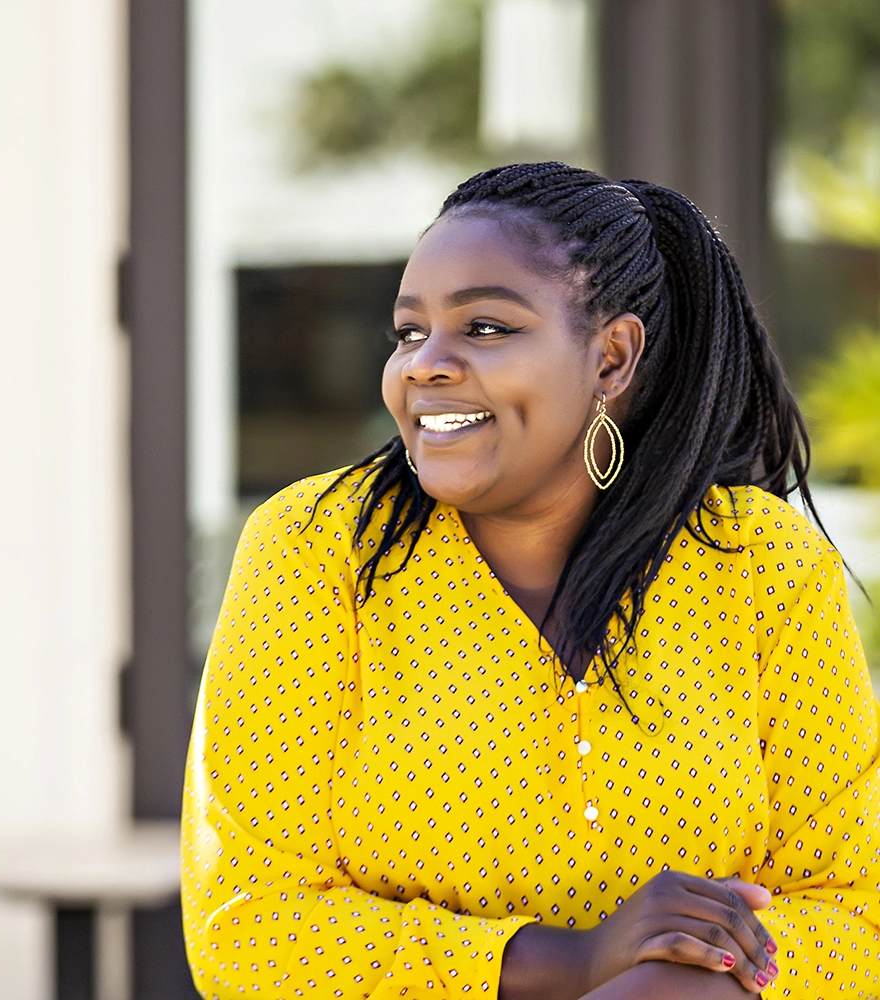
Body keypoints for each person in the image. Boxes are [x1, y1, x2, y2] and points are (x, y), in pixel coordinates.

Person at [181, 162, 880, 998]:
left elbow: (859, 914)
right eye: (409, 333)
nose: (424, 366)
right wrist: (571, 961)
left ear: (612, 357)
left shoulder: (761, 562)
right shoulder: (318, 549)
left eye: (483, 328)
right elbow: (249, 926)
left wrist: (683, 980)